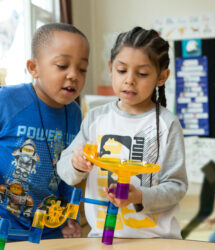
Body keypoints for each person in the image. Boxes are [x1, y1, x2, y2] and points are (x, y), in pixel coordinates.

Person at [57, 26, 188, 239]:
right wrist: (75, 163)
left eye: (142, 73)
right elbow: (64, 170)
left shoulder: (167, 124)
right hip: (103, 236)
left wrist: (139, 196)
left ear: (162, 77)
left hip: (156, 240)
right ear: (111, 69)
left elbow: (176, 187)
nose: (129, 80)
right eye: (121, 70)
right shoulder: (95, 118)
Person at [0, 22, 89, 240]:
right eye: (62, 65)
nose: (73, 75)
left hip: (49, 229)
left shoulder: (75, 113)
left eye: (82, 68)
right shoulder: (7, 100)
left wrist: (70, 216)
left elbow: (69, 172)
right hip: (5, 227)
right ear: (33, 68)